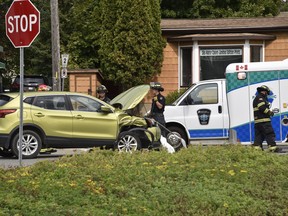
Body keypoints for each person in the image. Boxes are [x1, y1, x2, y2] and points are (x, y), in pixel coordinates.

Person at [252, 85, 280, 152]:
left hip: (258, 122)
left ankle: (257, 149)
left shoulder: (257, 98)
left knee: (259, 136)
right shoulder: (260, 98)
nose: (267, 94)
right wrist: (270, 112)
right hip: (264, 121)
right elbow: (262, 108)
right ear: (264, 91)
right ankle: (273, 148)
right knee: (269, 134)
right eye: (266, 93)